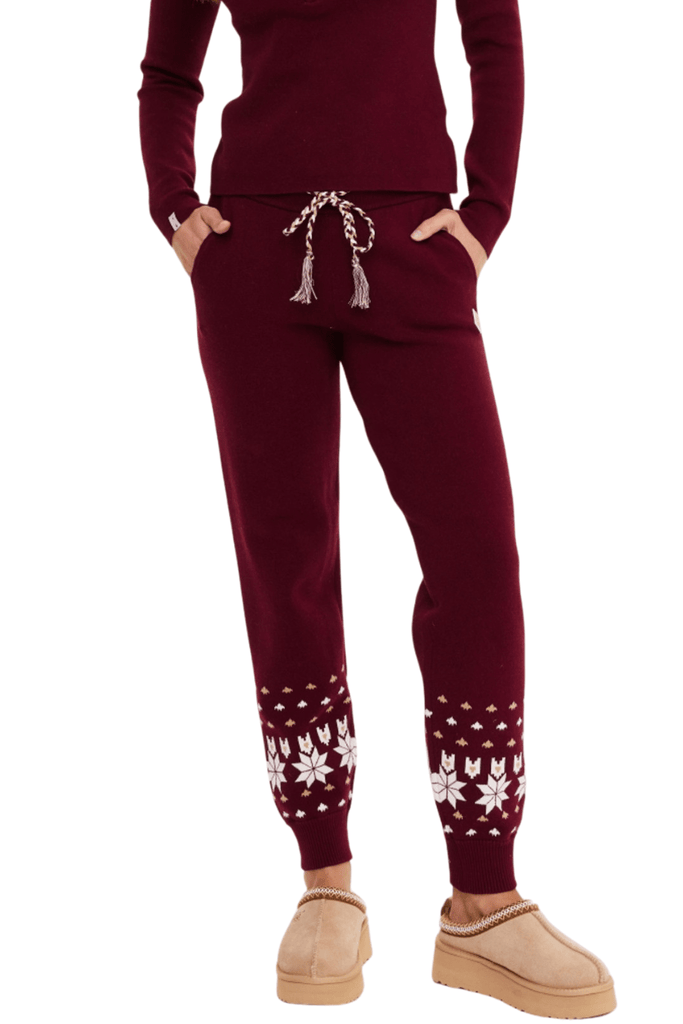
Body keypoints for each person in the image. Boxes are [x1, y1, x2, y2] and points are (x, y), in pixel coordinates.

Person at [137, 0, 617, 1014]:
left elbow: (495, 41)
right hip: (253, 253)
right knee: (287, 558)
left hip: (410, 246)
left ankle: (483, 899)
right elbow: (168, 74)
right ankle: (326, 884)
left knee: (474, 554)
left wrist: (484, 216)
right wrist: (176, 212)